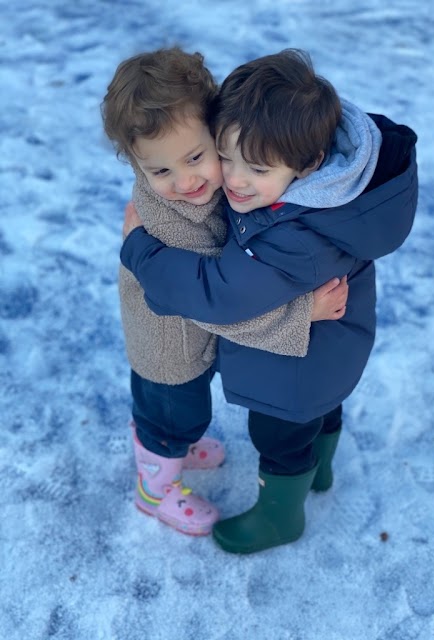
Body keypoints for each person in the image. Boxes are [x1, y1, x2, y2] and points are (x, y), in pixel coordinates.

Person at [121, 47, 418, 554]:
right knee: (322, 413)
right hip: (332, 352)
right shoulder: (334, 187)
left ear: (308, 164)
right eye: (226, 156)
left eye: (255, 169)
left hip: (293, 367)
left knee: (281, 439)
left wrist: (141, 252)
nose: (234, 181)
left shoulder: (290, 236)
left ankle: (281, 516)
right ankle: (320, 471)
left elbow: (218, 294)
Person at [101, 48, 349, 537]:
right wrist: (303, 313)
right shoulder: (175, 225)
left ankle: (174, 448)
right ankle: (156, 488)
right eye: (160, 171)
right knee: (170, 417)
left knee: (183, 415)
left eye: (196, 157)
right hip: (170, 349)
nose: (186, 181)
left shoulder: (212, 187)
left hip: (192, 338)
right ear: (137, 164)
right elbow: (218, 306)